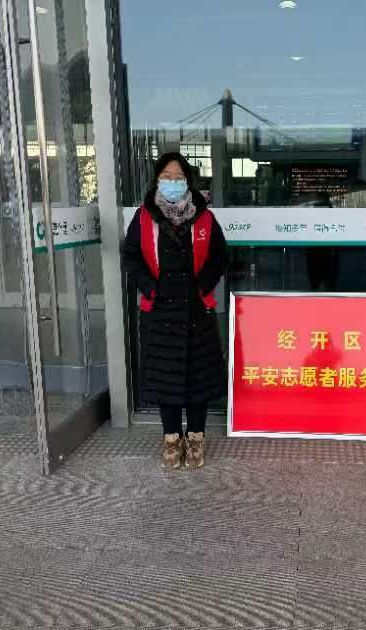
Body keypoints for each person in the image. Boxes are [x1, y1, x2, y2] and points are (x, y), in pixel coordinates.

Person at [123, 152, 227, 469]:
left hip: (196, 310)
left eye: (178, 177)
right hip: (159, 311)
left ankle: (195, 437)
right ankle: (171, 437)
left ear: (188, 181)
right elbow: (131, 257)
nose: (172, 182)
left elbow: (220, 257)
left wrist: (203, 287)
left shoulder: (205, 218)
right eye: (166, 177)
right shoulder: (144, 217)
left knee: (198, 380)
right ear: (157, 180)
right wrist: (150, 289)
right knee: (165, 378)